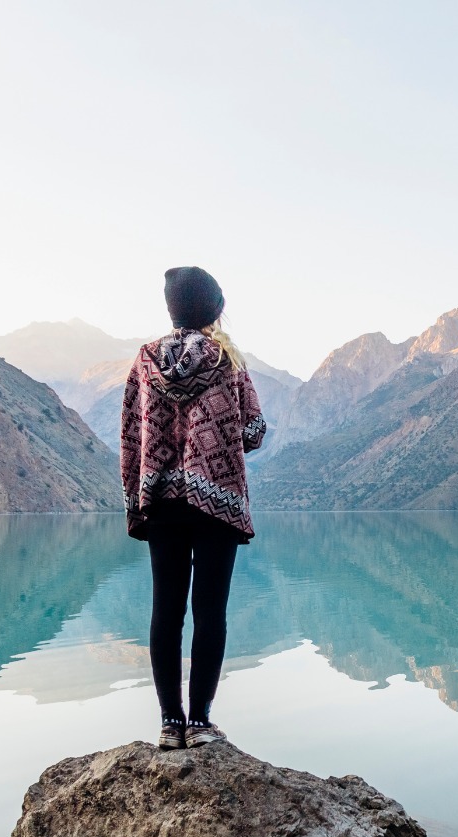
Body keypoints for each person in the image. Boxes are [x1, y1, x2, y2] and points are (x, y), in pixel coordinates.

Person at [120, 267, 266, 750]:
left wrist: (142, 489)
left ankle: (169, 723)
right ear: (214, 309)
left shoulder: (145, 361)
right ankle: (200, 723)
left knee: (166, 611)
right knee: (209, 611)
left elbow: (131, 431)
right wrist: (215, 439)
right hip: (216, 502)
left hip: (162, 500)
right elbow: (253, 432)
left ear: (173, 310)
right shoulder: (227, 361)